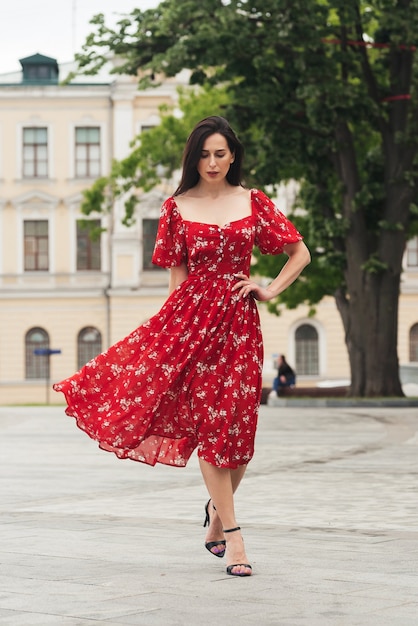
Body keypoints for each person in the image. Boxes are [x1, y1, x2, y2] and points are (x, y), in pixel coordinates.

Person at [53, 115, 310, 577]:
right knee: (212, 429)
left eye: (220, 153)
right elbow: (177, 282)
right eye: (204, 154)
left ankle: (215, 512)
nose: (212, 162)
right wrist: (167, 341)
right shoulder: (176, 207)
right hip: (191, 325)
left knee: (240, 435)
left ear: (233, 156)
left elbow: (299, 253)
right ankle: (235, 538)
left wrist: (268, 289)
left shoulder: (252, 201)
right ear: (193, 158)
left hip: (239, 328)